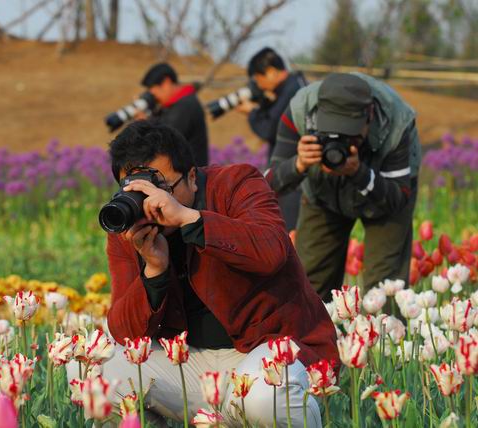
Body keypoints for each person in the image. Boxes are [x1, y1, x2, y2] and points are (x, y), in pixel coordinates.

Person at [101, 120, 337, 426]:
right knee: (99, 374)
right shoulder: (128, 224)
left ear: (192, 176)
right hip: (190, 363)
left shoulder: (237, 183)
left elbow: (271, 251)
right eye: (137, 191)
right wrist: (154, 270)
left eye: (161, 189)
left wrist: (191, 220)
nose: (151, 204)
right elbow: (125, 332)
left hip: (266, 347)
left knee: (267, 396)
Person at [266, 72, 422, 300]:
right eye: (330, 132)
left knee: (385, 289)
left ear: (369, 116)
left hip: (384, 193)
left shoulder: (397, 122)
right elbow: (270, 185)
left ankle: (382, 335)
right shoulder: (300, 111)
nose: (342, 141)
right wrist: (298, 164)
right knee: (309, 284)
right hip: (322, 195)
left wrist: (359, 173)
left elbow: (397, 199)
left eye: (350, 134)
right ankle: (315, 335)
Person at [236, 48, 307, 231]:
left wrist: (252, 112)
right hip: (290, 173)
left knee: (289, 235)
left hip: (293, 179)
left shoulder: (292, 92)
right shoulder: (294, 86)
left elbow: (269, 129)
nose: (259, 86)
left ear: (271, 72)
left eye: (259, 80)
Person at [139, 62, 209, 167]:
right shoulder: (175, 106)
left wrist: (146, 122)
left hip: (191, 179)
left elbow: (165, 140)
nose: (155, 97)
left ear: (166, 83)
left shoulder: (185, 106)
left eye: (154, 93)